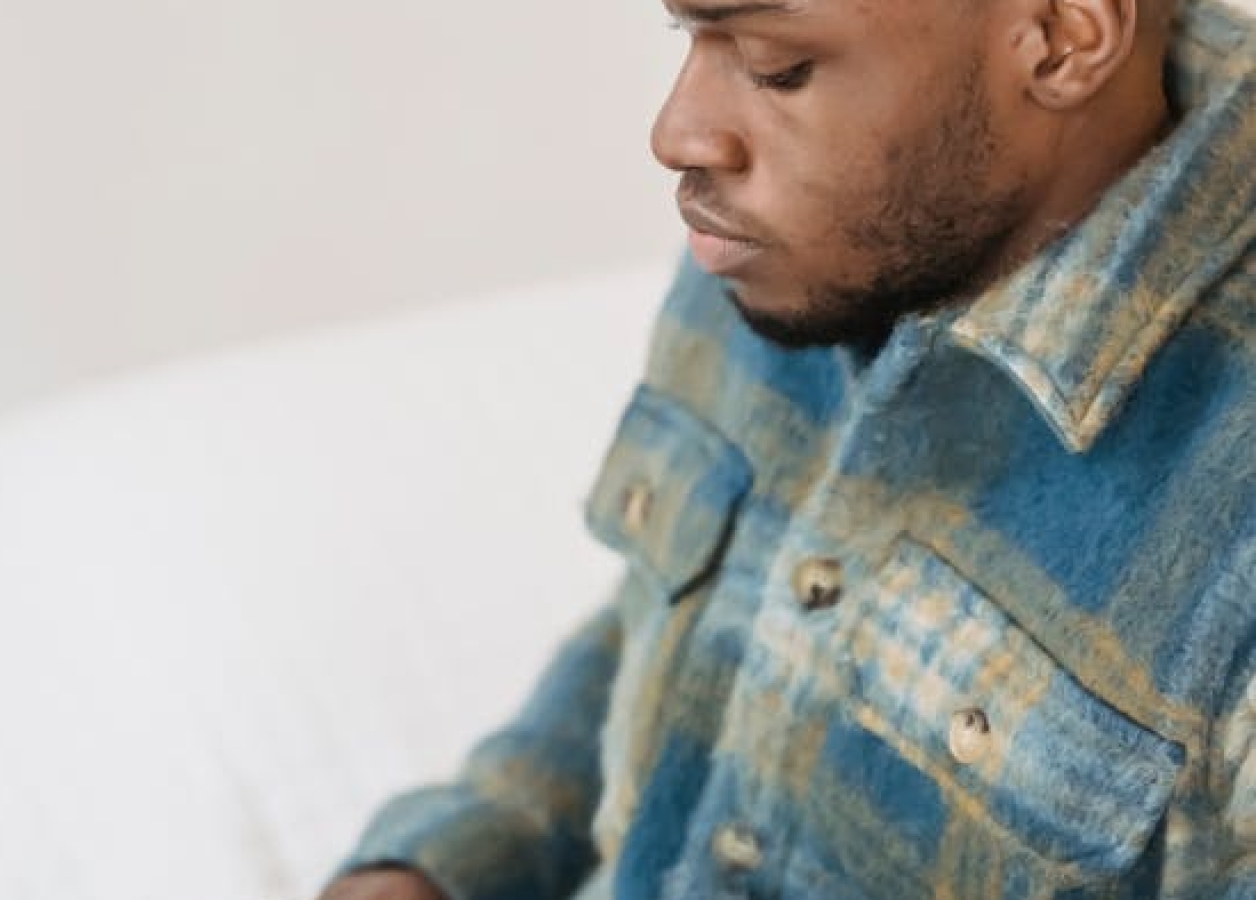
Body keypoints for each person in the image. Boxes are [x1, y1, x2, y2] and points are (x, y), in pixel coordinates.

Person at [320, 0, 1256, 895]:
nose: (678, 133)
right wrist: (459, 856)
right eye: (689, 32)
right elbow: (686, 619)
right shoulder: (796, 238)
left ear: (1059, 38)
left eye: (779, 67)